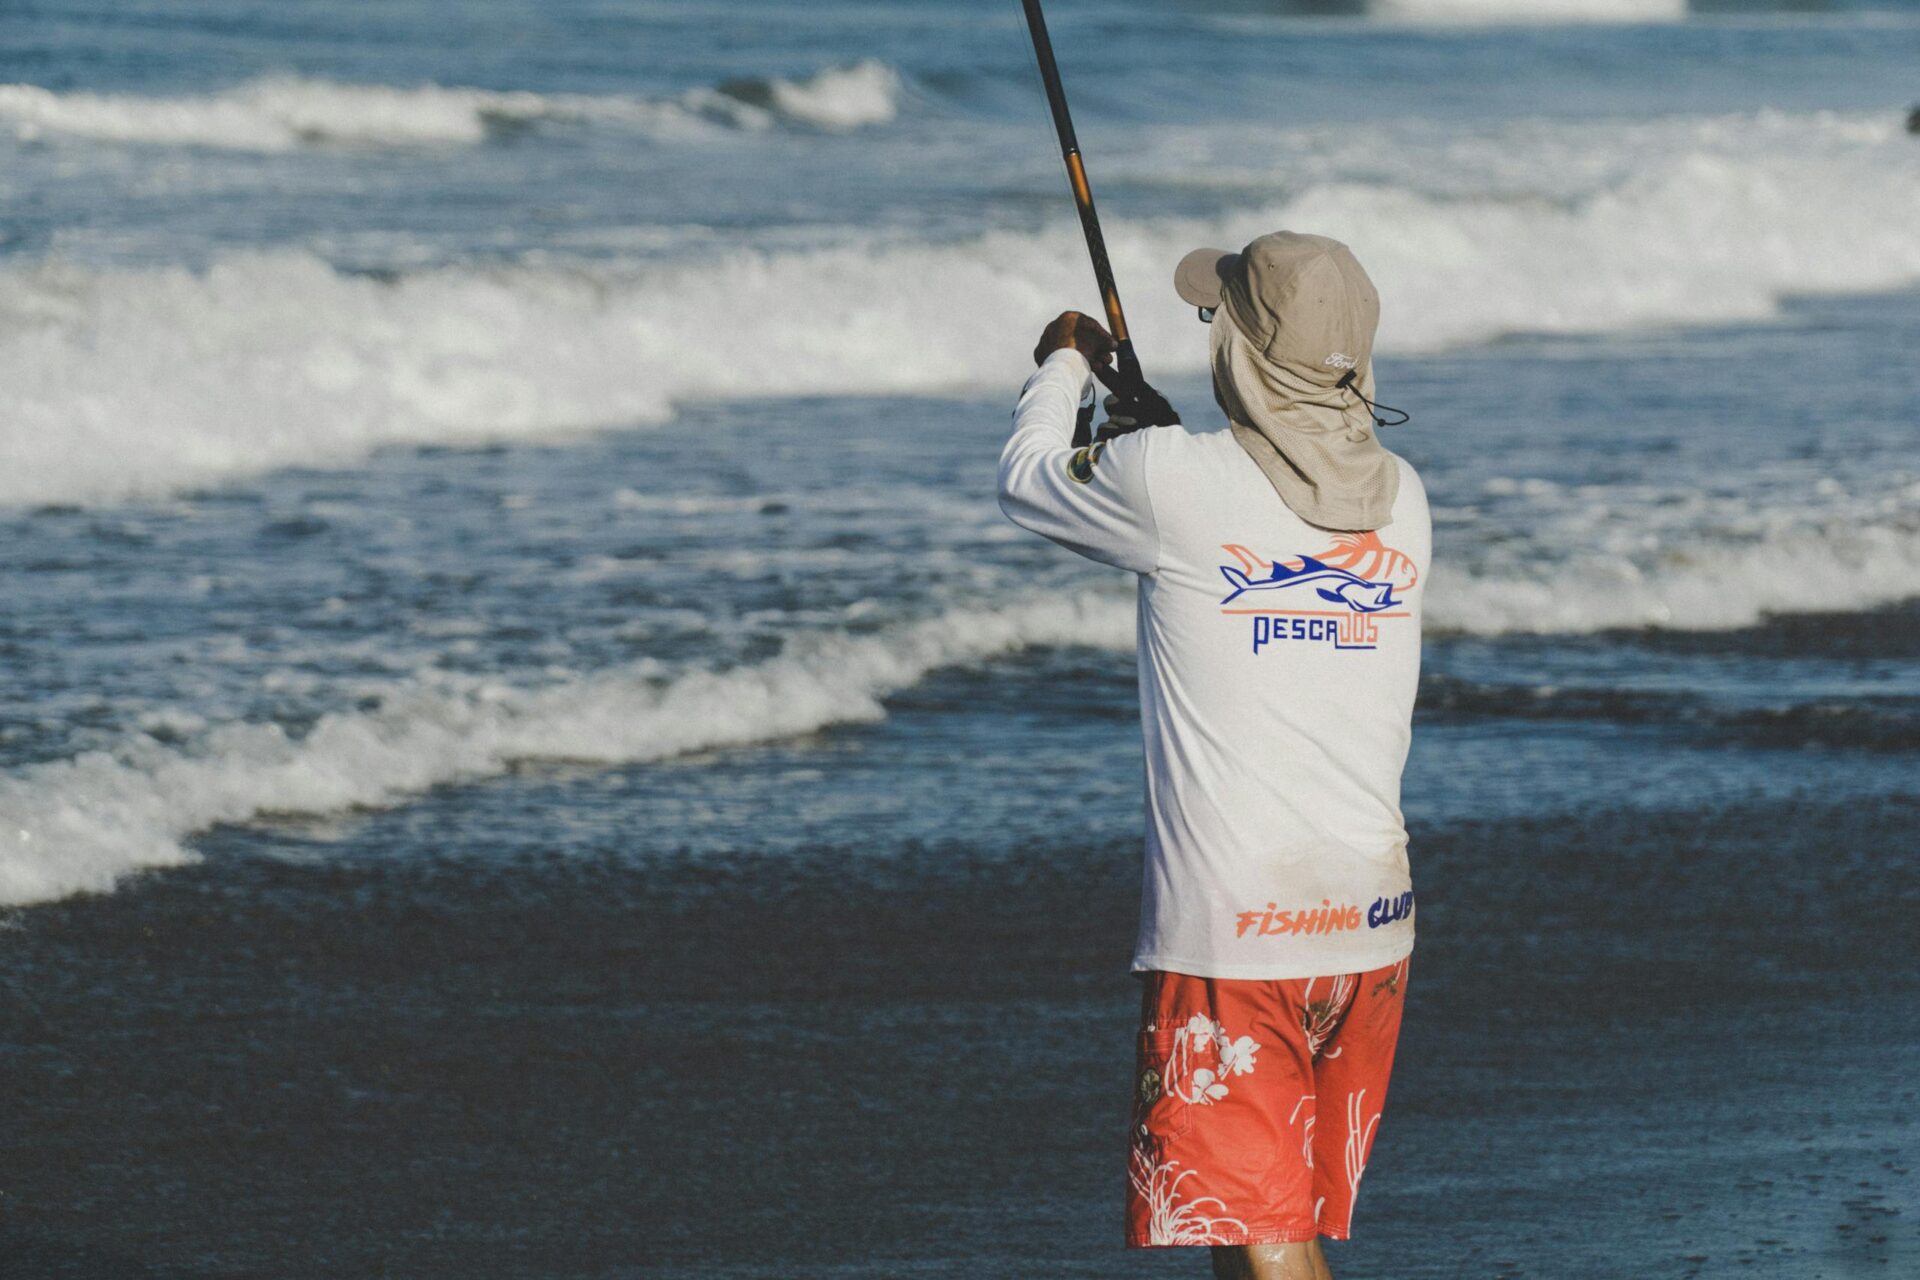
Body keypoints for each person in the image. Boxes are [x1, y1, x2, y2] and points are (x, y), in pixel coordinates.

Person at [997, 231, 1430, 1280]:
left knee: (1262, 1230)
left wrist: (1062, 358)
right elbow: (1265, 514)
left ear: (1243, 344)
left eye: (1217, 320)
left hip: (1238, 934)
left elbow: (1026, 479)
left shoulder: (1168, 480)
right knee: (1265, 1216)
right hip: (1367, 930)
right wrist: (1171, 444)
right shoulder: (1403, 495)